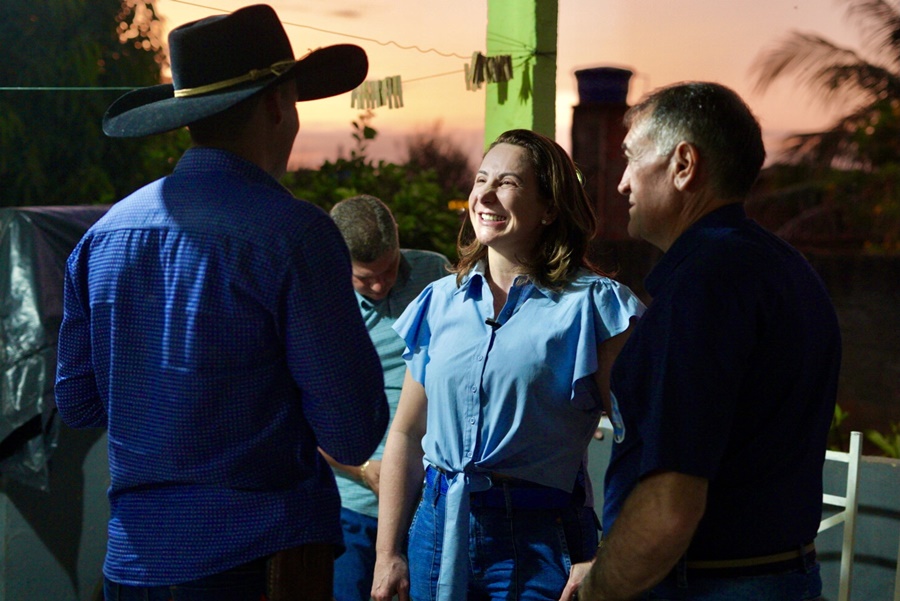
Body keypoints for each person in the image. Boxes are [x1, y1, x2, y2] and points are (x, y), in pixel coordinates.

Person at [54, 5, 389, 601]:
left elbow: (78, 403)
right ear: (278, 104)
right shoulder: (296, 235)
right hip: (257, 563)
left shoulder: (99, 238)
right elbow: (351, 432)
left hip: (131, 565)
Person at [579, 82, 842, 600]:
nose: (622, 184)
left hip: (708, 582)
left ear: (683, 165)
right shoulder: (784, 268)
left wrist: (599, 590)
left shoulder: (705, 285)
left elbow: (671, 500)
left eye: (632, 160)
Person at [371, 129, 646, 601]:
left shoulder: (594, 306)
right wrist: (387, 552)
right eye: (482, 179)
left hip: (540, 538)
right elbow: (406, 434)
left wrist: (606, 551)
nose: (486, 194)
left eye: (508, 183)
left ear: (549, 208)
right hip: (433, 531)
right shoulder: (439, 301)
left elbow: (642, 439)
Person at [322, 194, 450, 601]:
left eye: (390, 269)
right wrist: (362, 469)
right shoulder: (320, 300)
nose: (381, 284)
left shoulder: (434, 272)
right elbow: (296, 413)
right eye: (365, 278)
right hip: (353, 503)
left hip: (428, 502)